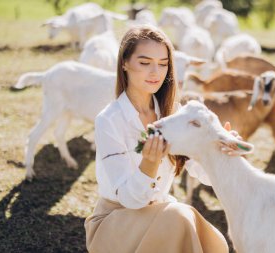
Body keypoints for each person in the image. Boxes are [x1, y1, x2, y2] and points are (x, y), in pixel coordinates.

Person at [84, 25, 236, 253]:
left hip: (164, 217)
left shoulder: (174, 113)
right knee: (180, 216)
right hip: (116, 222)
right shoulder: (108, 120)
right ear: (124, 63)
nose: (155, 72)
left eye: (163, 64)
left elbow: (202, 173)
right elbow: (129, 199)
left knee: (213, 242)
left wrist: (219, 154)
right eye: (144, 63)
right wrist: (149, 164)